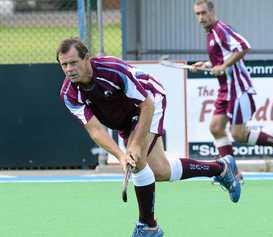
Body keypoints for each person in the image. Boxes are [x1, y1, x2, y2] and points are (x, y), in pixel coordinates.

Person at [57, 38, 241, 237]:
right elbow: (96, 130)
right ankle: (220, 168)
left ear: (87, 59)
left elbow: (147, 105)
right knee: (160, 171)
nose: (69, 69)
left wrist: (135, 145)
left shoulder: (113, 71)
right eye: (64, 64)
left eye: (73, 62)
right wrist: (120, 156)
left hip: (149, 102)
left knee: (138, 161)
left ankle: (148, 226)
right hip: (124, 119)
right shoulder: (69, 93)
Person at [192, 0, 273, 169]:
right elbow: (222, 58)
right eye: (197, 14)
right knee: (216, 128)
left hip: (238, 89)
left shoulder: (221, 30)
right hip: (225, 90)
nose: (201, 18)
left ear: (212, 11)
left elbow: (244, 46)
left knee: (238, 134)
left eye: (204, 13)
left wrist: (224, 66)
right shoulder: (211, 34)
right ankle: (232, 172)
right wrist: (206, 64)